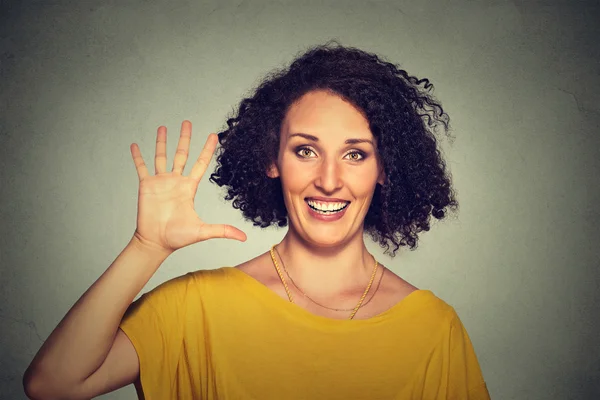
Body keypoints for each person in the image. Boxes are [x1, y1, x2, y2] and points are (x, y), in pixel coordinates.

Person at [23, 42, 491, 399]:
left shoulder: (434, 328)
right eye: (305, 150)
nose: (329, 180)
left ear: (384, 168)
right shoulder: (196, 306)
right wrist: (147, 247)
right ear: (273, 160)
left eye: (355, 154)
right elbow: (52, 385)